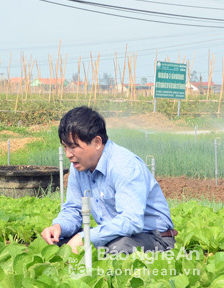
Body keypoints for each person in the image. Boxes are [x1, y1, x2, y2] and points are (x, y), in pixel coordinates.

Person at [41, 106, 176, 255]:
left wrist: (85, 237)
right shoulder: (78, 166)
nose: (68, 154)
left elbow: (132, 221)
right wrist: (59, 227)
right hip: (117, 237)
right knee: (58, 243)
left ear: (97, 142)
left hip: (154, 238)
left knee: (117, 248)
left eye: (73, 147)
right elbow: (73, 209)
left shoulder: (123, 165)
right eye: (65, 147)